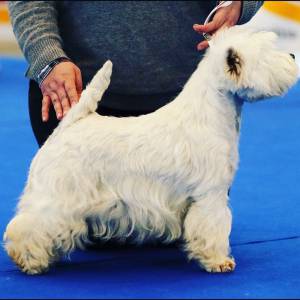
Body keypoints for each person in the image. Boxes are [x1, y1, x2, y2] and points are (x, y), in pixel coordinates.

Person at [8, 1, 263, 147]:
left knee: (189, 231)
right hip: (76, 100)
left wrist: (238, 2)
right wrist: (48, 60)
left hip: (187, 105)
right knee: (83, 234)